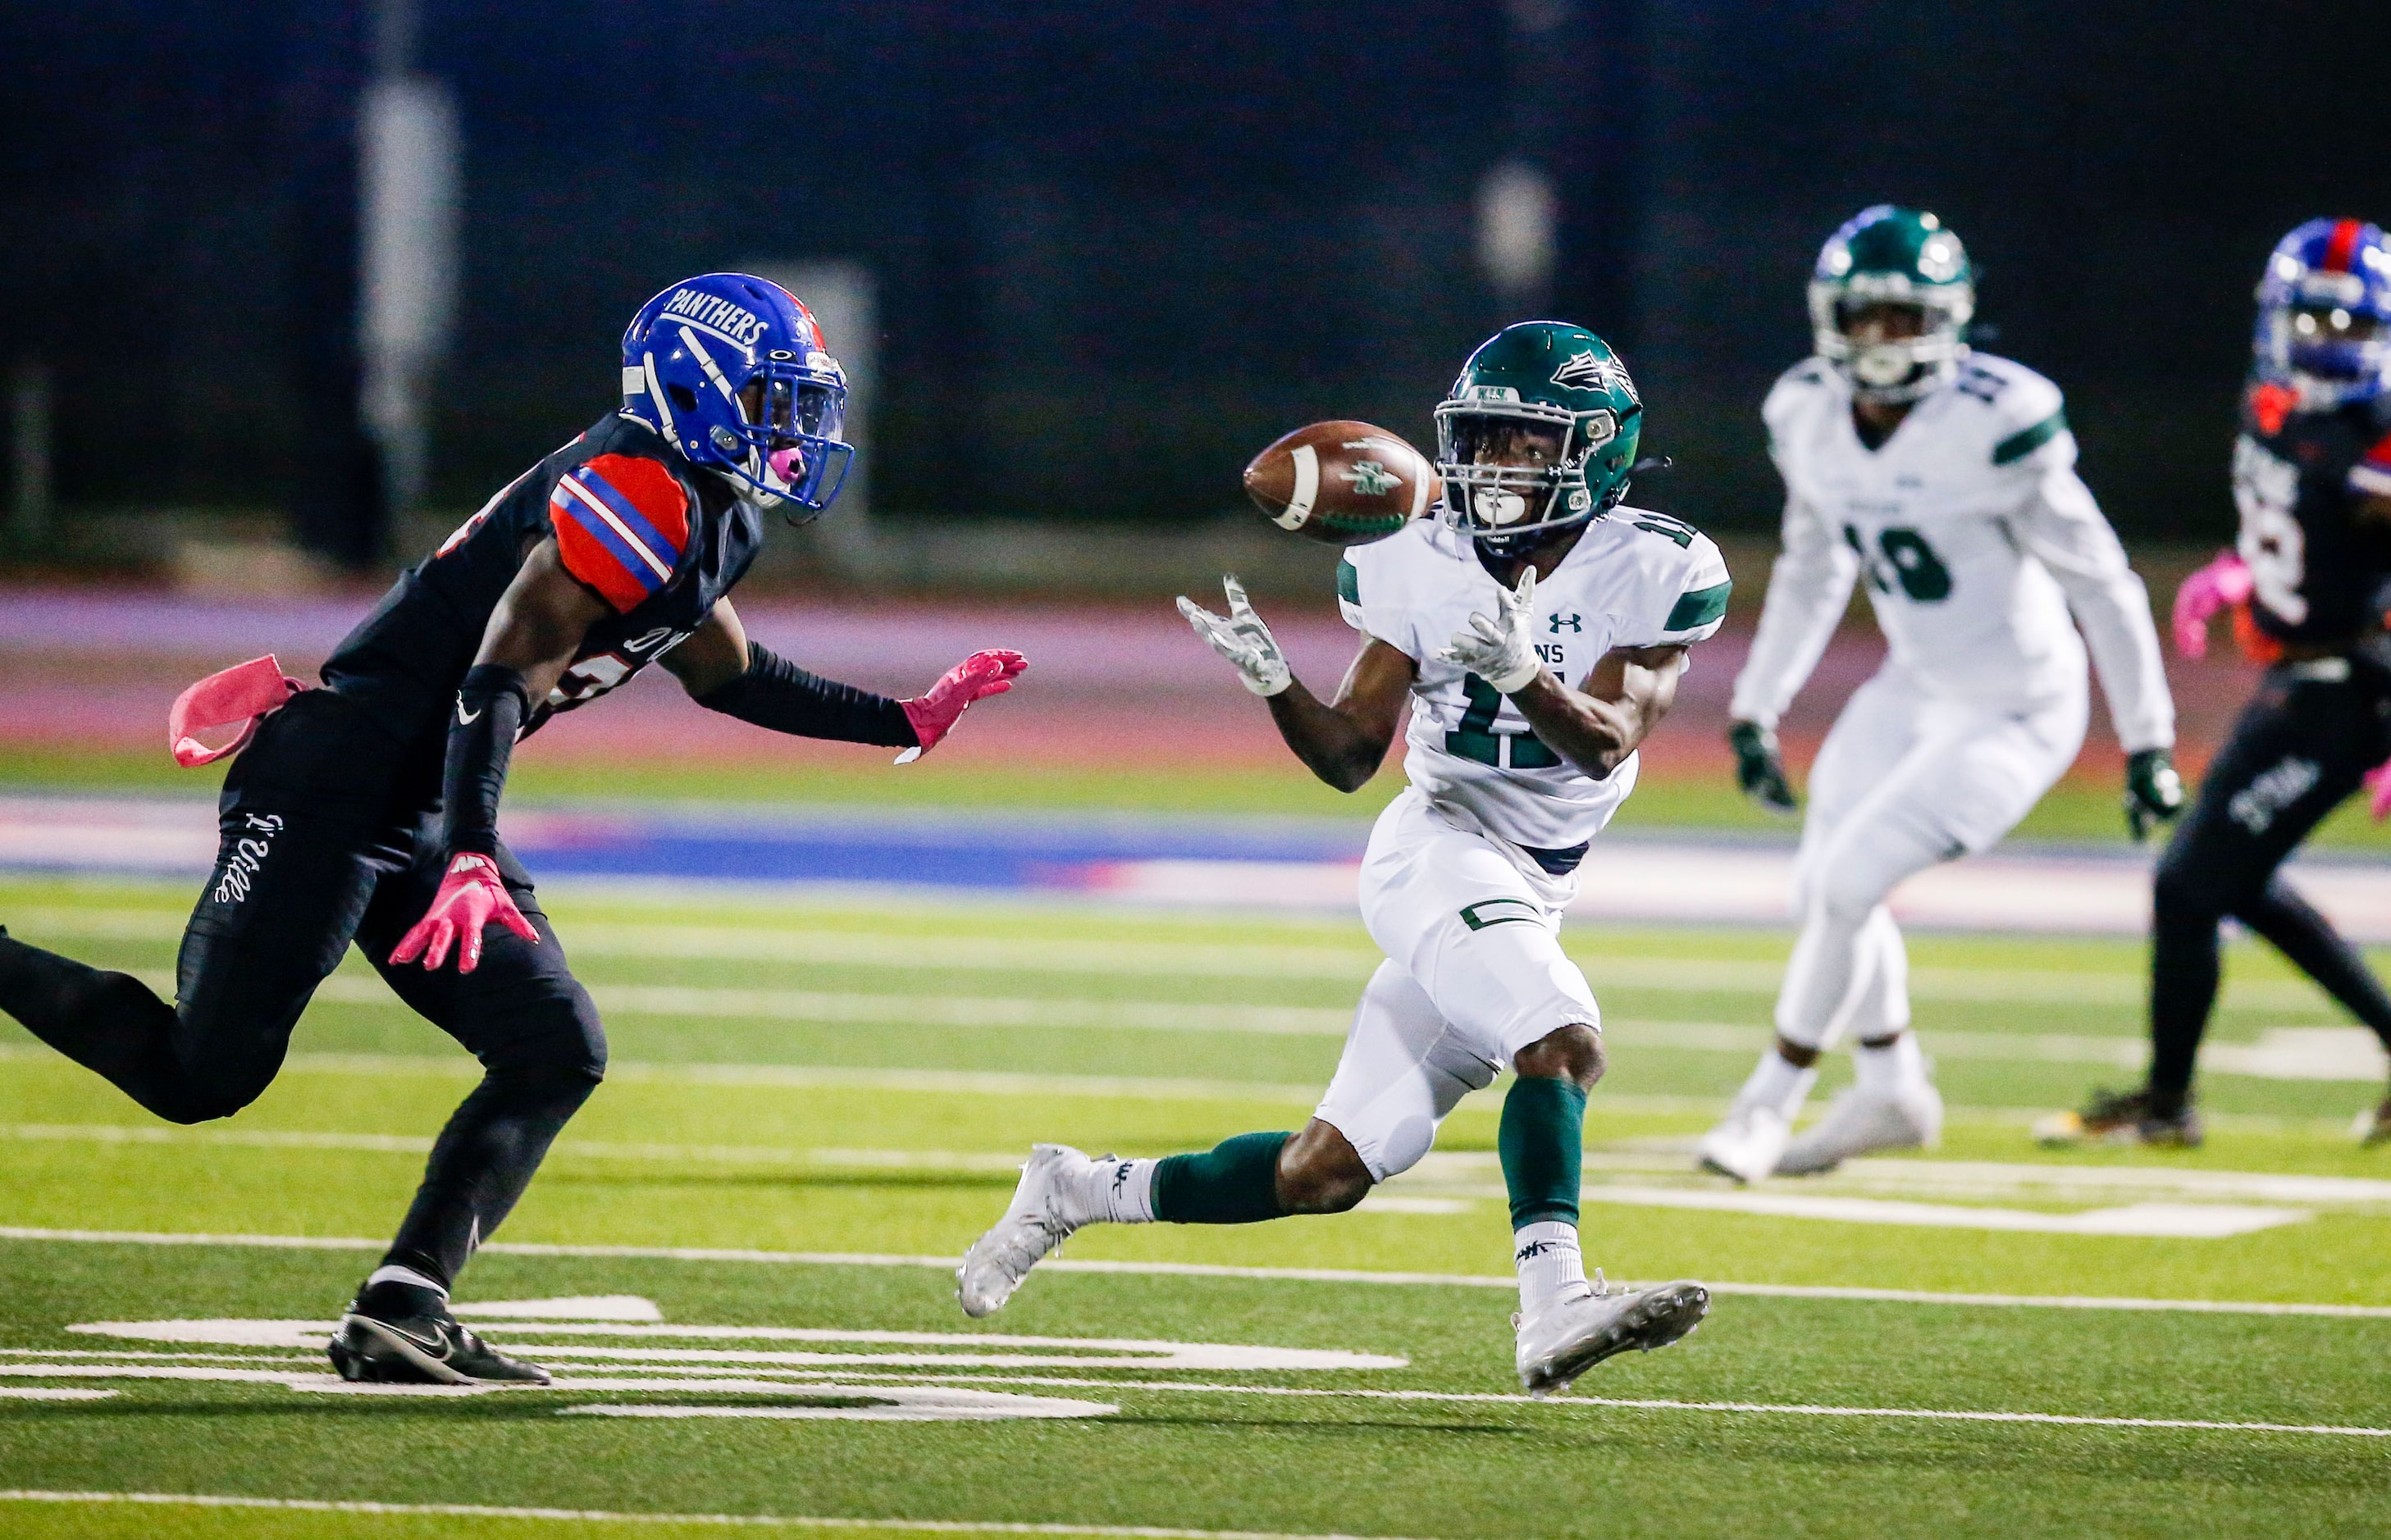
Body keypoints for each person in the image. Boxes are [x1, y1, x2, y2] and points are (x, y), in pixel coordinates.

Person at [0, 274, 1025, 1384]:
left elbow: (726, 672)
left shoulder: (708, 505)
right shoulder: (633, 486)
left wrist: (901, 717)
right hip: (334, 786)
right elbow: (497, 679)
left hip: (427, 795)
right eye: (773, 400)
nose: (799, 428)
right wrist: (477, 851)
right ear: (693, 386)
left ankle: (404, 1303)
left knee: (552, 1049)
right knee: (200, 1075)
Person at [954, 322, 1723, 1396]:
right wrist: (1275, 684)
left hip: (1530, 885)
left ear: (1592, 452)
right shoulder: (1417, 551)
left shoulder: (1655, 564)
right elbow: (1350, 758)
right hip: (1436, 854)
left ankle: (1076, 1189)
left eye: (1520, 443)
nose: (1492, 465)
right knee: (1560, 1039)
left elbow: (1604, 740)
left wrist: (1518, 671)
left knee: (1323, 1171)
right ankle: (1552, 1305)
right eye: (1481, 438)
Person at [1700, 206, 2180, 1182]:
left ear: (1950, 322)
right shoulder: (1807, 415)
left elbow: (2103, 582)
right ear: (1832, 318)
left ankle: (1767, 1103)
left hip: (2019, 707)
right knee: (1823, 888)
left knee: (1846, 883)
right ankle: (1891, 1086)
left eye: (1904, 319)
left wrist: (2149, 741)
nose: (1882, 342)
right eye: (1867, 317)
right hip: (1913, 686)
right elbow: (1809, 566)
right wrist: (1758, 702)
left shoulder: (1995, 423)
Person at [2038, 218, 2391, 1149]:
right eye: (2314, 320)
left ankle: (2169, 1103)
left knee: (2193, 884)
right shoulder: (2279, 396)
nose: (2329, 342)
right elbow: (2306, 516)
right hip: (2306, 676)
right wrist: (2245, 572)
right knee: (2231, 875)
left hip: (2363, 685)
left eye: (2353, 325)